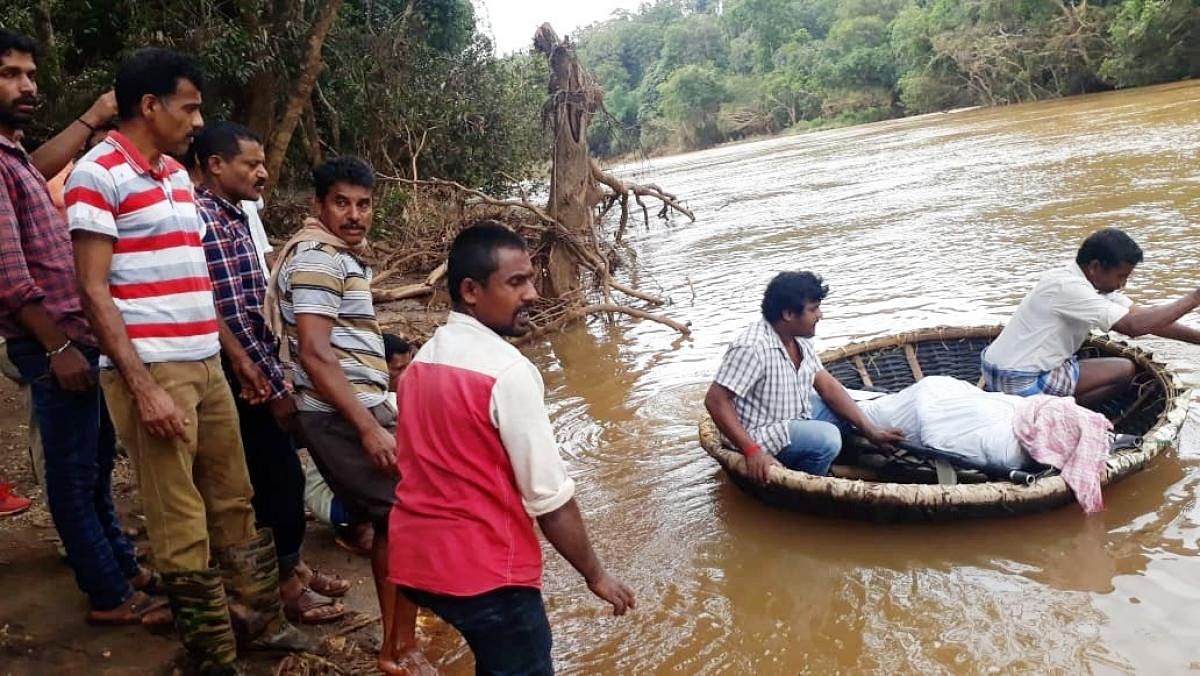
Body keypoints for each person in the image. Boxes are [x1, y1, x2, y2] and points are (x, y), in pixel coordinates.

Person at [68, 47, 314, 674]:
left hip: (204, 362)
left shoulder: (177, 177)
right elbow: (93, 290)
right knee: (179, 516)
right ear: (150, 107)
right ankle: (212, 654)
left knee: (234, 498)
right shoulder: (97, 175)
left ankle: (259, 622)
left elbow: (195, 280)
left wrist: (232, 356)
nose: (198, 121)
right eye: (190, 107)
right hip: (155, 371)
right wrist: (142, 387)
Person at [389, 221, 636, 676]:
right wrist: (596, 575)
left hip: (417, 565)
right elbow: (550, 500)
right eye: (516, 282)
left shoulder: (420, 365)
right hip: (486, 577)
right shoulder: (508, 373)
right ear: (470, 290)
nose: (533, 294)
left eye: (531, 278)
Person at [0, 30, 162, 622]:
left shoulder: (12, 154)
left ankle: (122, 566)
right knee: (72, 477)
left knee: (93, 467)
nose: (27, 86)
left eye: (31, 74)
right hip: (53, 342)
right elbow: (9, 273)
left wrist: (91, 118)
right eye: (11, 73)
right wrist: (59, 344)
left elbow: (43, 166)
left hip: (73, 336)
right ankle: (110, 594)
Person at [267, 156, 428, 672]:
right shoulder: (318, 259)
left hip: (358, 406)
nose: (354, 214)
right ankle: (397, 648)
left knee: (397, 519)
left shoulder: (336, 256)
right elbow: (315, 352)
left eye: (363, 204)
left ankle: (404, 638)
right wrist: (367, 427)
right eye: (342, 202)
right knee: (398, 518)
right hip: (341, 415)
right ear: (319, 205)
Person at [191, 121, 348, 624]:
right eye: (250, 164)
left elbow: (253, 304)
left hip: (258, 365)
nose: (263, 173)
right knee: (272, 479)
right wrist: (257, 372)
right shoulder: (202, 219)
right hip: (241, 375)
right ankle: (283, 585)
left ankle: (293, 568)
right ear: (216, 165)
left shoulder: (235, 215)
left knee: (280, 471)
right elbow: (218, 306)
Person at [704, 271, 905, 485]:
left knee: (845, 414)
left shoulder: (799, 338)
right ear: (789, 314)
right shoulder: (752, 348)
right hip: (758, 433)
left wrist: (870, 430)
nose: (820, 315)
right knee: (827, 439)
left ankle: (835, 458)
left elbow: (827, 385)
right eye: (813, 309)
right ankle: (803, 482)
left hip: (792, 416)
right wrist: (752, 451)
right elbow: (715, 401)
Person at [983, 228, 1200, 405]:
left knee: (1113, 366)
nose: (1123, 284)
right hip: (1016, 380)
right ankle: (1057, 413)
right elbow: (1134, 326)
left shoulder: (1083, 283)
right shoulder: (1069, 288)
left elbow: (1143, 317)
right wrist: (1195, 298)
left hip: (996, 369)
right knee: (1124, 370)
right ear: (1095, 267)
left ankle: (1056, 407)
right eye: (1121, 276)